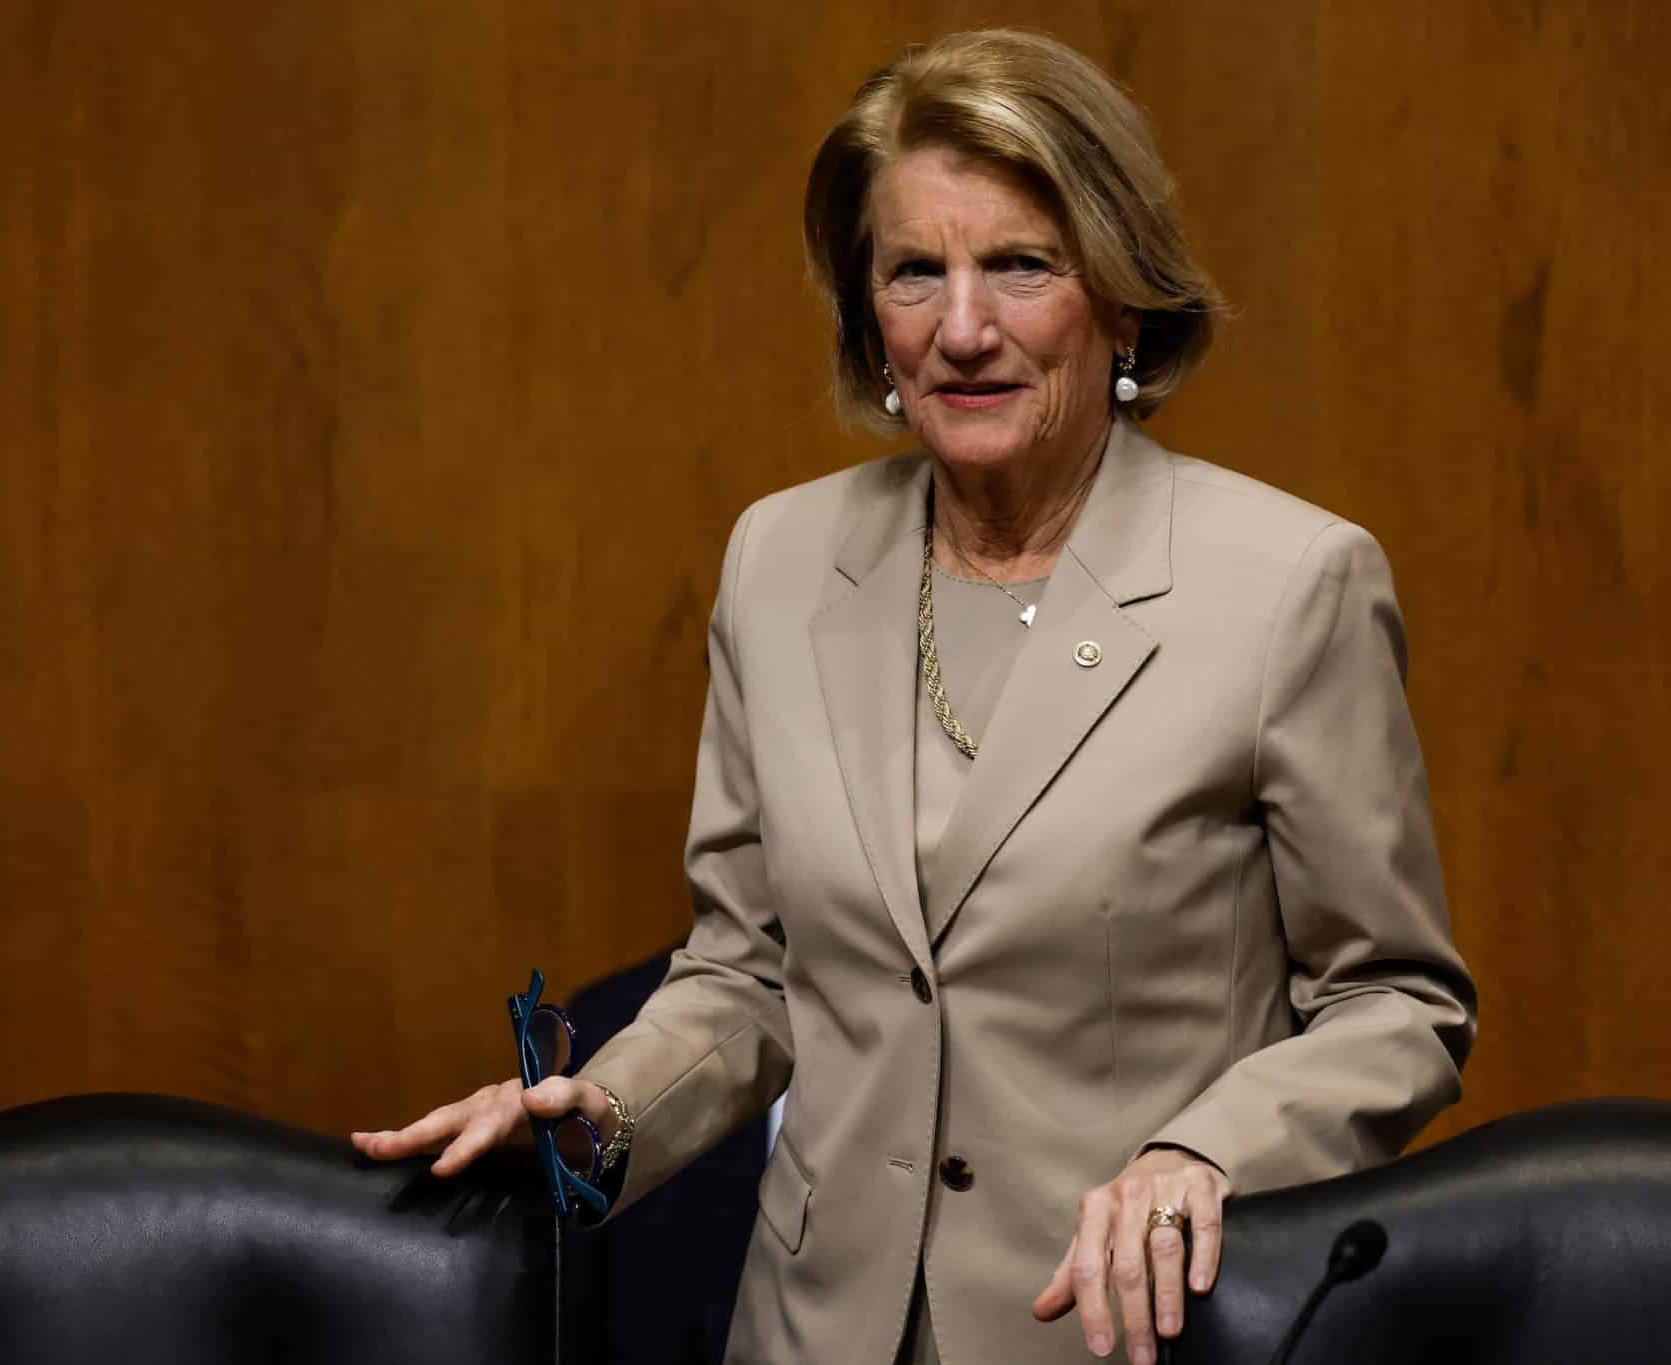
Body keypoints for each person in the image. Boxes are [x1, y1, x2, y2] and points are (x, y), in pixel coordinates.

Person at [355, 28, 1477, 1365]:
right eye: (913, 272)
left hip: (1129, 1338)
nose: (962, 328)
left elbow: (1397, 1002)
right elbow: (749, 969)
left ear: (1120, 298)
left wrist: (1205, 1150)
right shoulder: (779, 562)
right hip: (811, 1332)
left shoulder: (1292, 585)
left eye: (1019, 265)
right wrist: (602, 1105)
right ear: (869, 320)